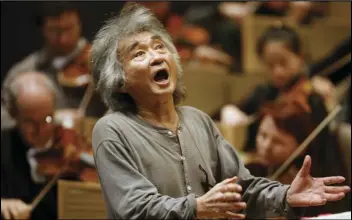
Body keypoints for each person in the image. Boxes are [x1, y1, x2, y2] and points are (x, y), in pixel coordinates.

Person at [90, 4, 350, 219]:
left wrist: (284, 195)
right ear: (120, 80)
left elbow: (243, 188)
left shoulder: (198, 120)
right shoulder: (112, 129)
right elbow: (136, 209)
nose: (156, 56)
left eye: (160, 47)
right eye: (139, 54)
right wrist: (198, 208)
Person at [213, 24, 334, 151]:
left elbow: (322, 147)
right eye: (270, 65)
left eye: (283, 62)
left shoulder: (313, 96)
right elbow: (231, 113)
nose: (278, 71)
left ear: (300, 57)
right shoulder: (264, 93)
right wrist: (228, 110)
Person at [1, 71, 96, 220]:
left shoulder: (70, 145)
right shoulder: (4, 144)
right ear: (13, 114)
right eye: (29, 122)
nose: (40, 130)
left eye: (47, 118)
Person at [1, 1, 106, 130]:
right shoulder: (23, 71)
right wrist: (48, 117)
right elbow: (4, 117)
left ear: (79, 24)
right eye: (55, 31)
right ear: (42, 29)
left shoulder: (102, 62)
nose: (63, 39)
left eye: (69, 28)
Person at [244, 99, 350, 216]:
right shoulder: (250, 170)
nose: (266, 146)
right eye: (263, 135)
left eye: (278, 142)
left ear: (301, 147)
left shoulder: (313, 183)